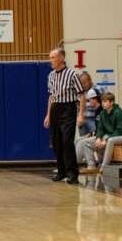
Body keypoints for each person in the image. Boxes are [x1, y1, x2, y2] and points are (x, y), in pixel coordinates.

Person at [44, 48, 85, 184]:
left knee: (67, 142)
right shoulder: (51, 75)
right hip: (56, 108)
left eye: (53, 57)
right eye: (50, 57)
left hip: (68, 109)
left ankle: (72, 173)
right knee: (56, 143)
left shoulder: (72, 74)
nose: (50, 60)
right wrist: (48, 115)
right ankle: (61, 172)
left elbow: (82, 95)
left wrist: (80, 115)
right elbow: (51, 96)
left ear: (61, 58)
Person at [80, 92, 122, 172]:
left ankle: (103, 167)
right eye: (102, 101)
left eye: (105, 101)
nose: (102, 103)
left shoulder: (119, 113)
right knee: (86, 143)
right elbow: (100, 128)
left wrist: (105, 139)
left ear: (111, 102)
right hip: (107, 136)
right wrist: (98, 138)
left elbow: (119, 130)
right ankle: (91, 166)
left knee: (109, 140)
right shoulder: (102, 113)